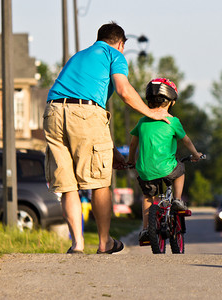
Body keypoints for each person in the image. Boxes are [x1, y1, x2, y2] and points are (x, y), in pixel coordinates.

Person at [43, 22, 171, 254]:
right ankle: (104, 244)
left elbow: (78, 120)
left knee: (68, 183)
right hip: (85, 112)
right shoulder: (114, 55)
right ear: (121, 44)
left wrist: (110, 152)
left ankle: (77, 245)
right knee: (100, 183)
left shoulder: (79, 57)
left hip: (53, 112)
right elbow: (123, 90)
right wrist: (152, 112)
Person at [126, 78, 203, 242]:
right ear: (172, 102)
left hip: (145, 170)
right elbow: (186, 141)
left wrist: (131, 161)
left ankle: (146, 230)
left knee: (148, 197)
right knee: (180, 169)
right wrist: (196, 155)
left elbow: (133, 145)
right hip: (167, 168)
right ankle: (176, 200)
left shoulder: (142, 122)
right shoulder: (173, 121)